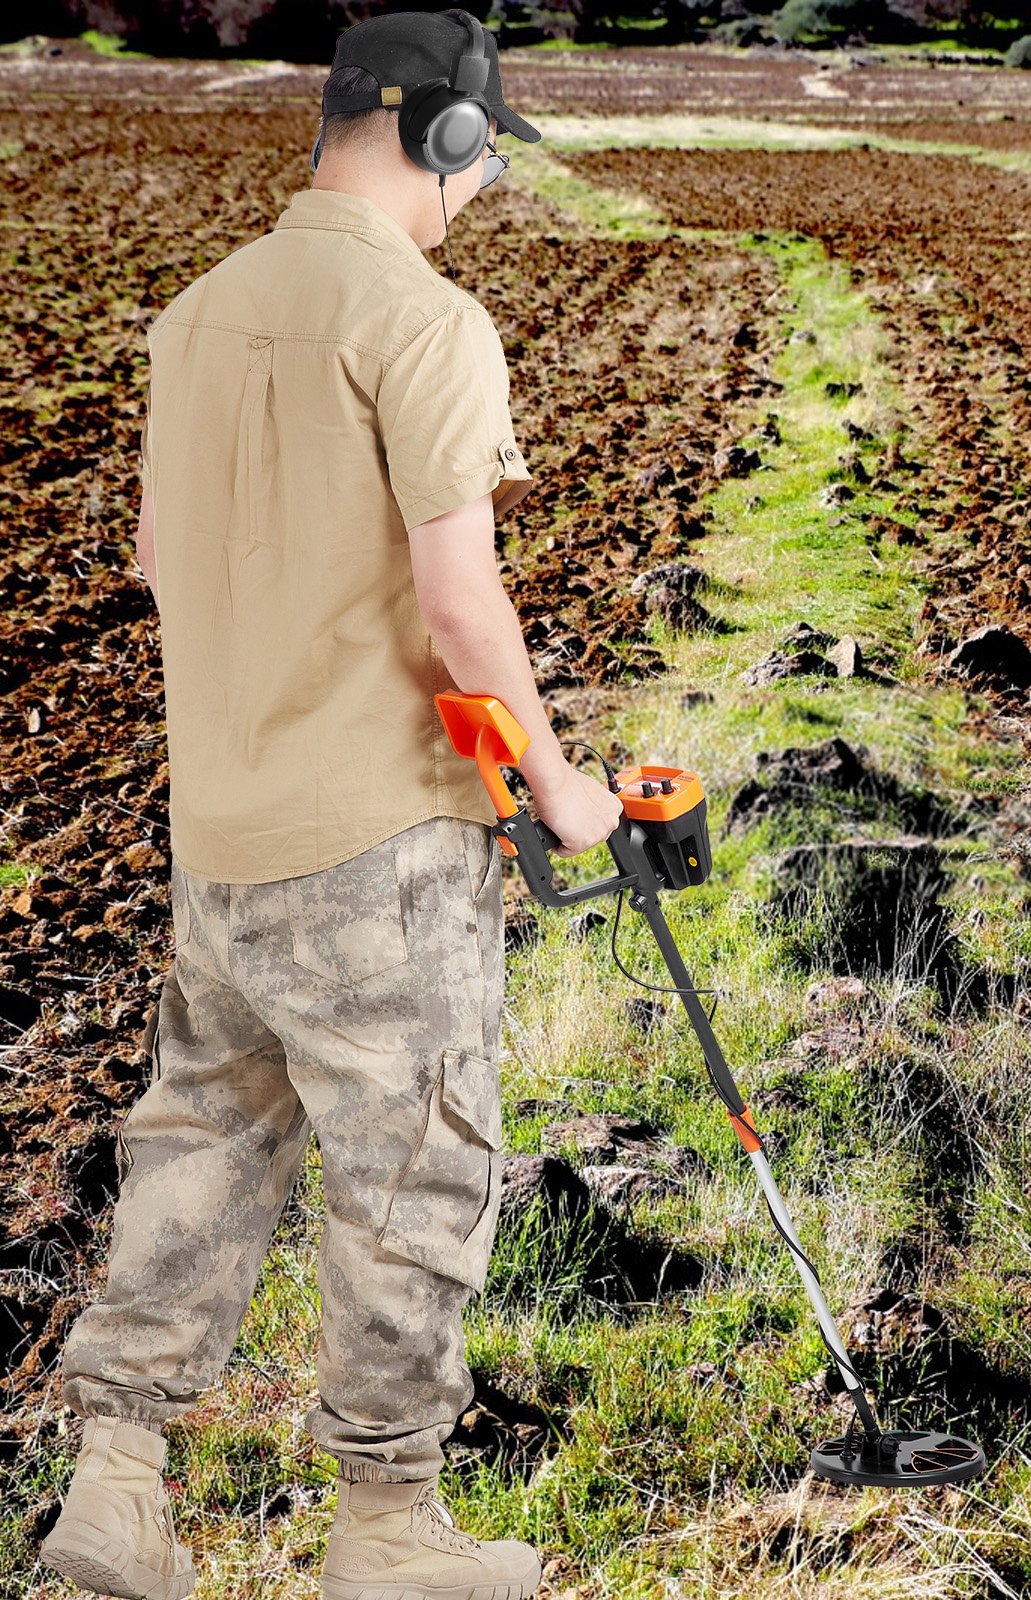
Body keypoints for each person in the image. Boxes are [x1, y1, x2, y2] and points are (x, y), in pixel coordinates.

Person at [41, 11, 620, 1599]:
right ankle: (388, 1526)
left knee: (202, 1146)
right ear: (443, 138)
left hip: (220, 836)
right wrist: (560, 784)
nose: (485, 191)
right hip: (379, 839)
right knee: (412, 1170)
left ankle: (117, 1487)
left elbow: (160, 562)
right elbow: (460, 604)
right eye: (485, 157)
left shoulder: (197, 316)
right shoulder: (425, 321)